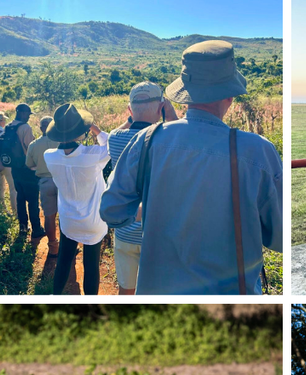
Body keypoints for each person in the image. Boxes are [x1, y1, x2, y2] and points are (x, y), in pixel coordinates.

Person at [100, 40, 283, 295]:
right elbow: (280, 237)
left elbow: (112, 211)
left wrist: (149, 209)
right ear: (230, 96)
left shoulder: (148, 140)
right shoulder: (257, 151)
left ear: (183, 94)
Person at [106, 81, 178, 295]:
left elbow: (115, 131)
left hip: (125, 231)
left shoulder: (116, 139)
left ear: (130, 109)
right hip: (158, 233)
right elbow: (183, 134)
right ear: (161, 107)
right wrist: (170, 114)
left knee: (126, 291)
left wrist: (131, 118)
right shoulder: (169, 138)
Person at [43, 103, 109, 295]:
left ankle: (56, 297)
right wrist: (97, 131)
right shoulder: (93, 155)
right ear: (82, 132)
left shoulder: (49, 157)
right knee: (91, 267)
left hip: (68, 220)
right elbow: (111, 145)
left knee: (64, 260)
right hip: (92, 221)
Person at [6, 103, 45, 238]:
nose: (28, 117)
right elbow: (30, 148)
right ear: (22, 113)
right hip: (27, 168)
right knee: (33, 200)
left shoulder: (9, 126)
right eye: (28, 114)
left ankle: (23, 227)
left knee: (20, 198)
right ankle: (36, 228)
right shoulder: (25, 128)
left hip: (14, 168)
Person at [25, 115, 60, 258]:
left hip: (45, 182)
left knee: (49, 216)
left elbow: (29, 164)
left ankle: (53, 248)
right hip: (62, 181)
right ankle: (67, 246)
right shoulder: (62, 141)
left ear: (40, 128)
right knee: (64, 215)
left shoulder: (33, 145)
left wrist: (39, 167)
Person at [0, 111, 17, 216]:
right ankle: (15, 211)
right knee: (12, 187)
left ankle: (3, 209)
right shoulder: (4, 133)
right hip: (6, 162)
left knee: (0, 186)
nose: (5, 121)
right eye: (3, 120)